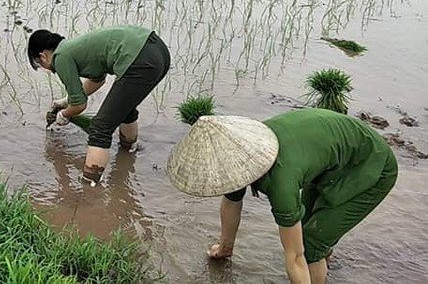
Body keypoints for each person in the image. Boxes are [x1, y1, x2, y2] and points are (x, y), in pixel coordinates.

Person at [167, 109, 397, 284]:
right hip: (328, 161)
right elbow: (232, 200)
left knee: (311, 243)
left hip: (370, 166)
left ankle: (321, 256)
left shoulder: (281, 183)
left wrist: (305, 258)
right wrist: (225, 248)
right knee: (312, 227)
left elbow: (295, 257)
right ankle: (325, 253)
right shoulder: (243, 150)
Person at [28, 26, 171, 184]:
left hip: (140, 58)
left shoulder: (60, 57)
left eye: (40, 65)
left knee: (100, 128)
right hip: (158, 51)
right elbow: (97, 80)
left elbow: (80, 105)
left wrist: (64, 114)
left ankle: (90, 188)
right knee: (124, 109)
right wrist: (65, 101)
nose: (46, 69)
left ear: (43, 56)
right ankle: (128, 154)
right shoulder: (73, 47)